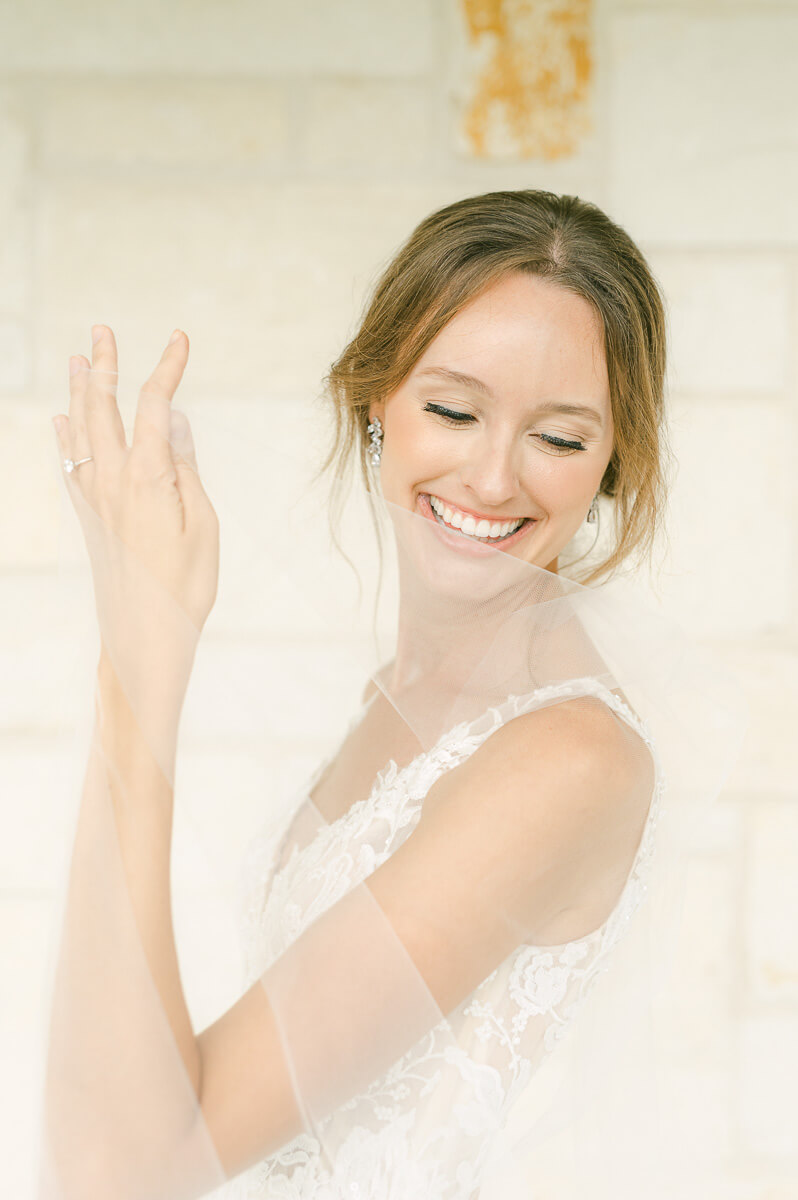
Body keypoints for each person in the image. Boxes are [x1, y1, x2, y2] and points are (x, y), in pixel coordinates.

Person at [40, 190, 743, 1199]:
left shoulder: (567, 762)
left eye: (561, 438)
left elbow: (120, 1169)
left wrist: (143, 646)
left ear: (614, 463)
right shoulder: (399, 696)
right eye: (453, 410)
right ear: (378, 400)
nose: (494, 477)